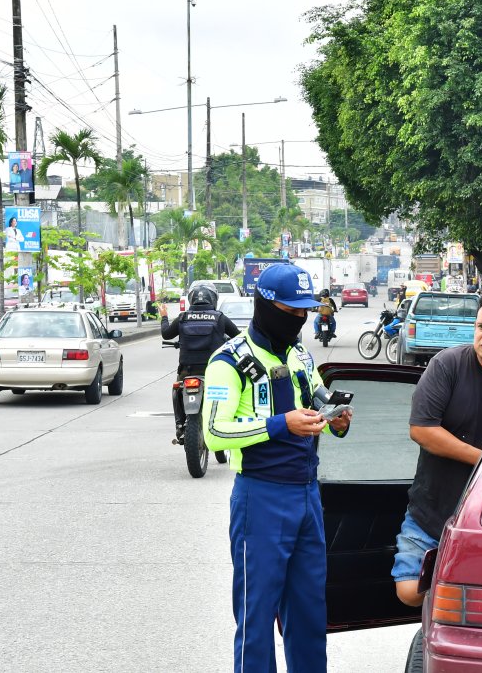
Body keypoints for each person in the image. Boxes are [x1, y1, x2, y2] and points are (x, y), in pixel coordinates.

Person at [202, 264, 352, 672]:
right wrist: (279, 424)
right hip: (261, 497)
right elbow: (215, 432)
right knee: (256, 614)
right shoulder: (228, 361)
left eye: (306, 310)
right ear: (265, 304)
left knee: (309, 612)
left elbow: (318, 397)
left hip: (307, 495)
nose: (301, 318)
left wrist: (334, 419)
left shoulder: (301, 354)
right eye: (292, 311)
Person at [393, 290, 482, 607]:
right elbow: (422, 429)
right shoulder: (447, 366)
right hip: (432, 512)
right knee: (409, 592)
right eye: (481, 326)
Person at [160, 285, 240, 439]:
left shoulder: (183, 317)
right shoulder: (219, 317)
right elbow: (237, 336)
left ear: (192, 299)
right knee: (228, 390)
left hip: (187, 370)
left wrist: (164, 316)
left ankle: (179, 424)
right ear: (214, 299)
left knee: (177, 389)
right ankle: (226, 422)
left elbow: (166, 334)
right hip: (213, 370)